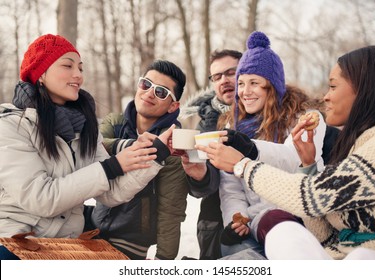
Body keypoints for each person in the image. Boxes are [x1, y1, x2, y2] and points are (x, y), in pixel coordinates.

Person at [207, 45, 375, 259]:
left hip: (358, 253)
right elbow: (324, 233)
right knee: (268, 241)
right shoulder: (361, 140)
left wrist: (244, 162)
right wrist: (309, 165)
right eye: (241, 84)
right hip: (272, 224)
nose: (326, 96)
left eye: (332, 86)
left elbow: (314, 196)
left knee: (360, 258)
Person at [0, 34, 173, 260]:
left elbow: (112, 193)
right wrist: (113, 166)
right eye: (67, 66)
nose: (78, 75)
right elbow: (42, 198)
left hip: (65, 247)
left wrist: (155, 154)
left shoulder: (83, 126)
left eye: (80, 68)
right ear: (40, 73)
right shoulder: (12, 126)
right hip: (15, 245)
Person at [197, 31, 329, 258]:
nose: (245, 92)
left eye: (254, 83)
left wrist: (251, 149)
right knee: (232, 250)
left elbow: (295, 158)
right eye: (241, 84)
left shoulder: (306, 117)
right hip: (256, 219)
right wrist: (235, 221)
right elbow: (231, 188)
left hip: (298, 211)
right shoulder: (232, 124)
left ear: (272, 86)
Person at [88, 60, 190, 260]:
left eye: (161, 92)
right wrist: (130, 146)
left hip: (131, 243)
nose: (150, 93)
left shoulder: (173, 144)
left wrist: (164, 260)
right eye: (146, 84)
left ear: (173, 106)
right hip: (93, 230)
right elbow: (92, 147)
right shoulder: (114, 122)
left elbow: (171, 208)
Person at [180, 49, 242, 259]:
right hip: (216, 225)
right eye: (217, 76)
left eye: (230, 72)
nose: (223, 80)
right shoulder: (206, 124)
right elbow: (203, 189)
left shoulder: (271, 115)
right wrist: (199, 174)